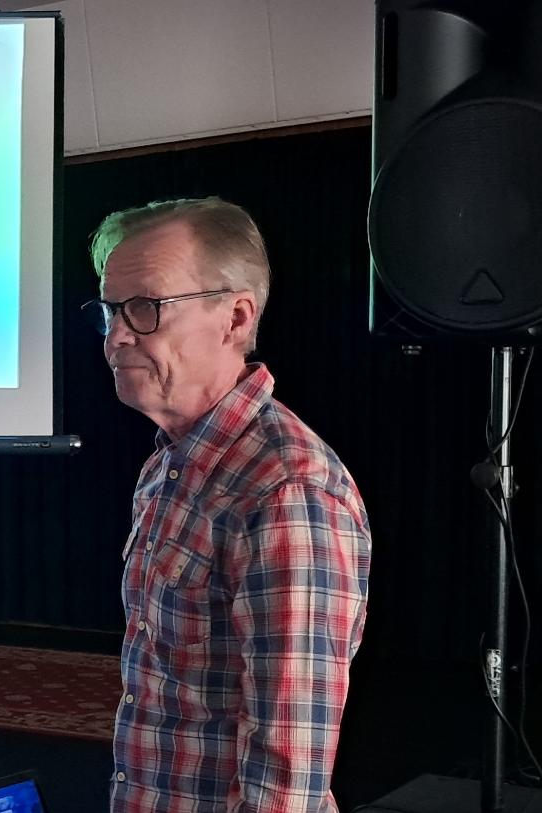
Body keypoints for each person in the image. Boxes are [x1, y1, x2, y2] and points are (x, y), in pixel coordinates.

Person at [85, 197, 371, 812]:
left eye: (146, 308)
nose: (117, 335)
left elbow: (287, 777)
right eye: (110, 310)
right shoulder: (169, 462)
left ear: (236, 319)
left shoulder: (286, 491)